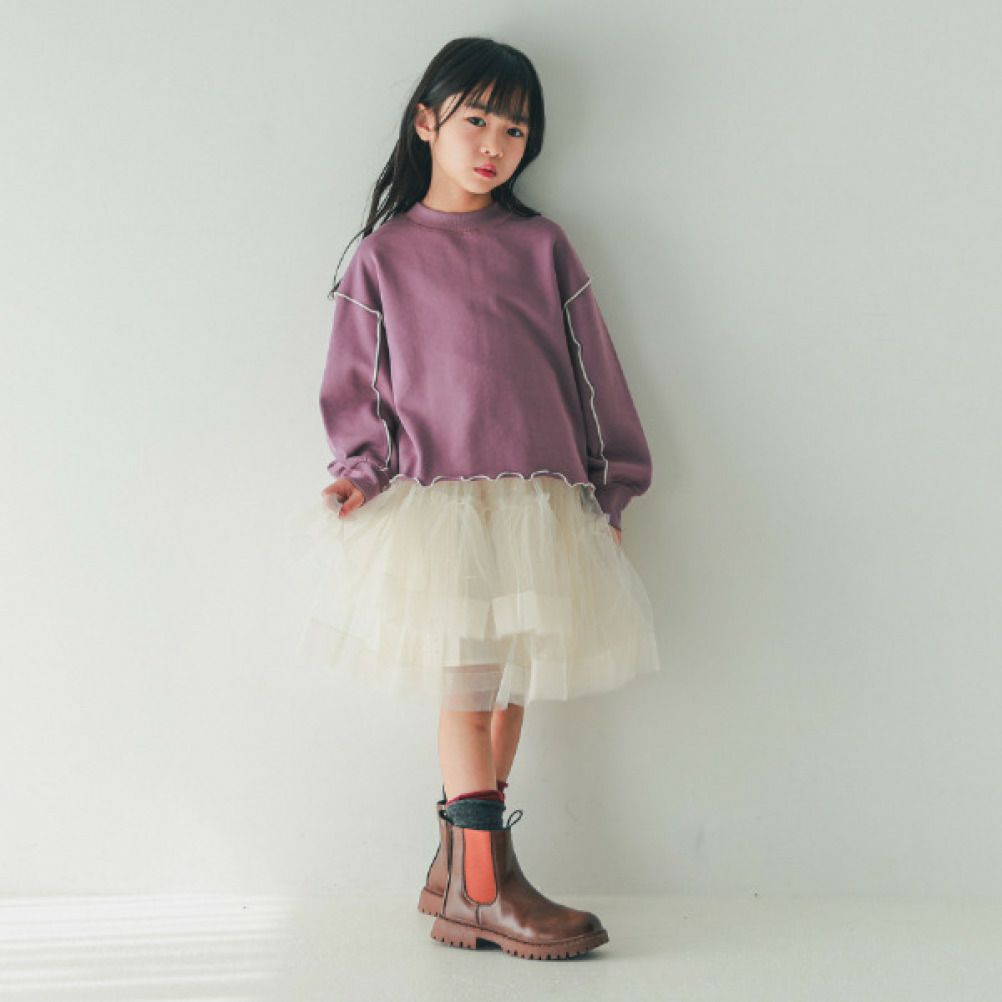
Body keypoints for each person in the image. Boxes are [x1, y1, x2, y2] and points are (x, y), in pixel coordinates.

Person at [297, 36, 661, 960]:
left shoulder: (542, 245)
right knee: (464, 686)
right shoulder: (383, 257)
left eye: (516, 129)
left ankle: (455, 864)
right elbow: (356, 382)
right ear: (427, 122)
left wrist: (614, 481)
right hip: (440, 506)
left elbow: (595, 369)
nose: (496, 144)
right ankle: (484, 889)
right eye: (477, 121)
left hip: (541, 503)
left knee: (509, 685)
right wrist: (357, 470)